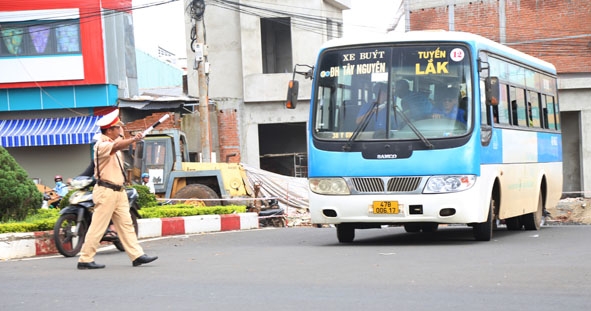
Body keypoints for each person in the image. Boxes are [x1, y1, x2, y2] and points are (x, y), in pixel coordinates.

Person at [77, 109, 158, 270]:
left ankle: (137, 255)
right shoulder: (101, 145)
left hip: (118, 191)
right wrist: (133, 139)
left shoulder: (113, 140)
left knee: (126, 224)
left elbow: (121, 140)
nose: (120, 131)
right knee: (98, 226)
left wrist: (134, 136)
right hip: (106, 191)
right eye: (117, 128)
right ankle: (85, 259)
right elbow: (117, 145)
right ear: (109, 130)